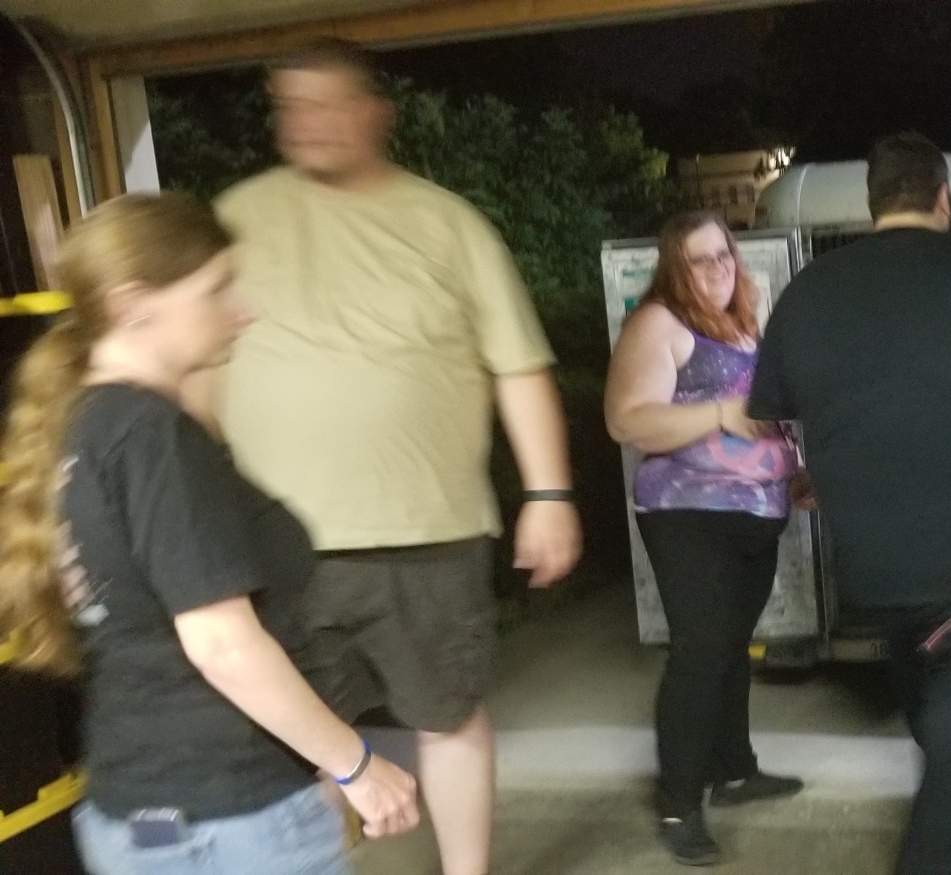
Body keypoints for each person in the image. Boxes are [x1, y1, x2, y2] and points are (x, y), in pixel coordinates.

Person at [203, 37, 582, 875]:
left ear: (377, 112)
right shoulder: (232, 217)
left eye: (327, 102)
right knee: (302, 734)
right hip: (274, 540)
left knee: (448, 715)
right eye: (289, 106)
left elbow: (519, 366)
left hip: (428, 530)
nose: (306, 121)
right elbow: (185, 359)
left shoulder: (448, 222)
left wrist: (550, 494)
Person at [0, 193, 420, 875]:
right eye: (217, 289)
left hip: (130, 809)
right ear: (133, 304)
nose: (243, 309)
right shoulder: (152, 435)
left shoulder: (86, 425)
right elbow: (222, 644)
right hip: (230, 822)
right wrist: (357, 765)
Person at [748, 132, 951, 875]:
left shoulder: (810, 291)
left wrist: (825, 462)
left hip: (871, 558)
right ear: (944, 197)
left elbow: (770, 413)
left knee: (938, 697)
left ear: (873, 203)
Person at [604, 211, 806, 866]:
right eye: (701, 259)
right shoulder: (659, 322)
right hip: (689, 513)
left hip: (757, 511)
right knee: (700, 653)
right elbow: (627, 421)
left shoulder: (743, 323)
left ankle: (735, 770)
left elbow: (764, 415)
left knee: (730, 648)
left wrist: (795, 469)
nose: (718, 267)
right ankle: (678, 803)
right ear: (675, 266)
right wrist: (719, 412)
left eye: (724, 254)